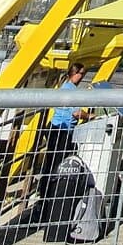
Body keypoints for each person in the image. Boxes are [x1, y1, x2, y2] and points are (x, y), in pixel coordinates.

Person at [40, 63, 87, 193]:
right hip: (64, 132)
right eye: (82, 74)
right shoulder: (72, 91)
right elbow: (76, 113)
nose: (83, 77)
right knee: (59, 163)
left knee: (50, 162)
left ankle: (44, 192)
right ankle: (54, 191)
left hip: (54, 127)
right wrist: (88, 116)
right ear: (76, 74)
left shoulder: (63, 87)